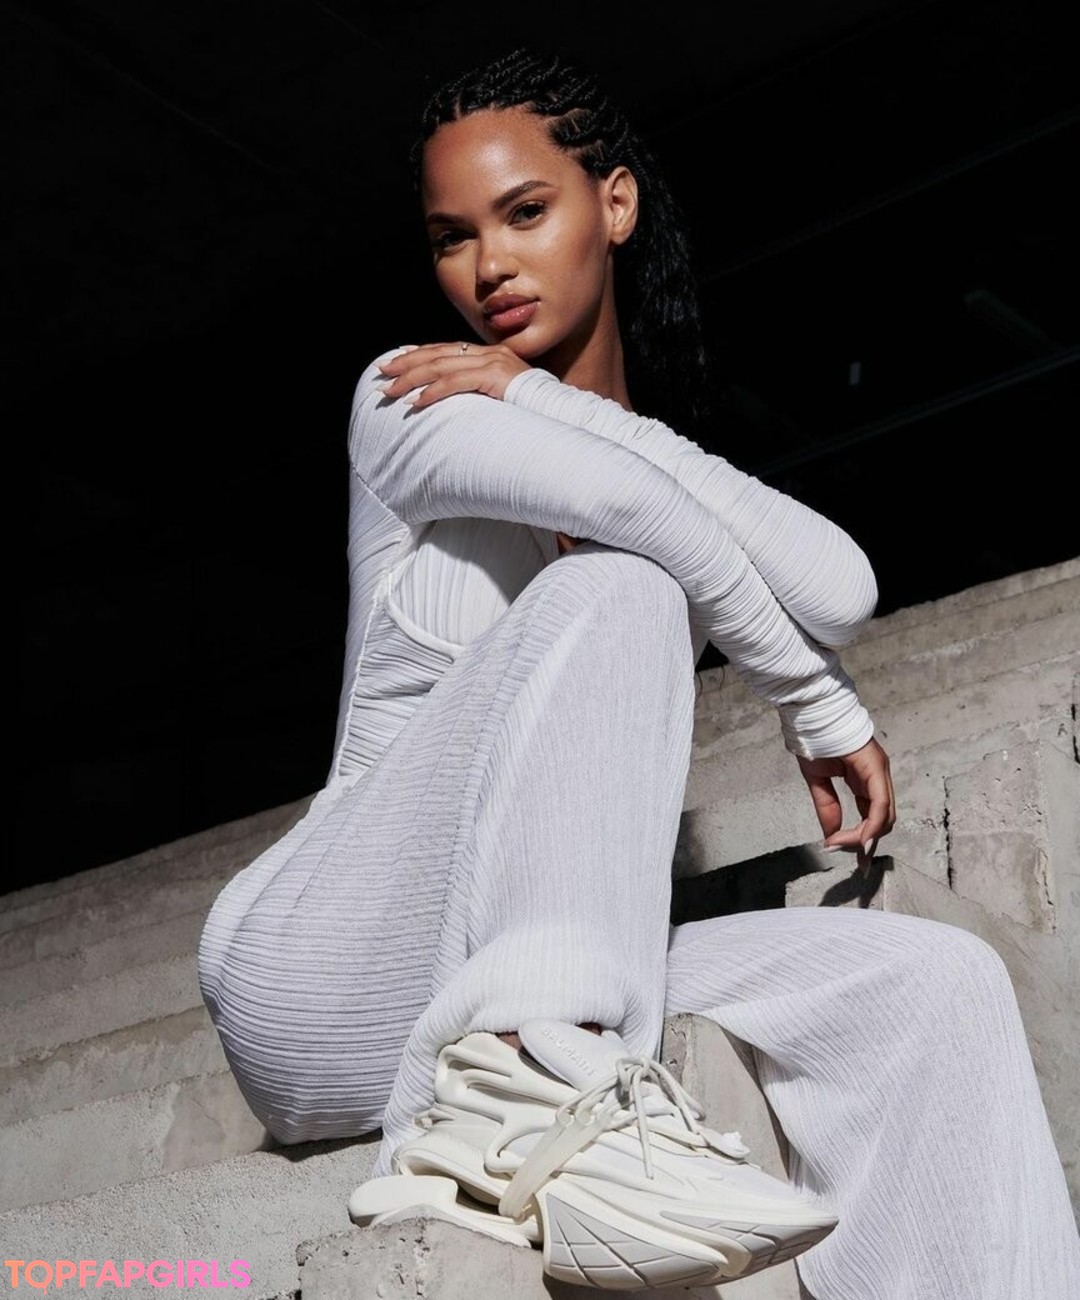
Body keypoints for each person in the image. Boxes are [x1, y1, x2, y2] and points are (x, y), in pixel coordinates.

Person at [196, 47, 1079, 1298]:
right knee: (624, 583)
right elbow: (638, 519)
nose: (489, 267)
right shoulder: (407, 400)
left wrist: (561, 404)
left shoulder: (593, 430)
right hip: (323, 965)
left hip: (524, 952)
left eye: (524, 212)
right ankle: (521, 1084)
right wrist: (816, 702)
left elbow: (841, 583)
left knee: (935, 982)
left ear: (613, 204)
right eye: (452, 237)